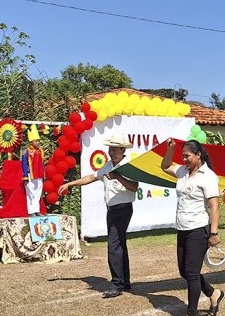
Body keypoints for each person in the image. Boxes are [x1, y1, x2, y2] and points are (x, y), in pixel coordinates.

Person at [59, 134, 139, 298]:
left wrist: (117, 176)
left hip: (123, 208)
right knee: (119, 244)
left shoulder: (128, 166)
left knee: (114, 245)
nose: (112, 152)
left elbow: (133, 187)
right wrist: (70, 183)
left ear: (123, 150)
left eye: (115, 150)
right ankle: (124, 281)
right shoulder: (108, 165)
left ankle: (117, 284)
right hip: (112, 210)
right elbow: (91, 177)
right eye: (110, 149)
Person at [162, 138, 225, 316]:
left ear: (198, 155)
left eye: (187, 156)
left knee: (191, 273)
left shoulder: (208, 176)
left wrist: (213, 232)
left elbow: (214, 205)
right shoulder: (182, 171)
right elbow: (165, 166)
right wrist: (170, 151)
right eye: (182, 156)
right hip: (182, 228)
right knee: (185, 270)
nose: (184, 159)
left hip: (199, 229)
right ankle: (214, 293)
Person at [21, 125, 45, 216]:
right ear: (31, 142)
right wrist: (25, 176)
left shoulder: (41, 151)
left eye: (38, 141)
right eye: (36, 141)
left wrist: (44, 173)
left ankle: (37, 210)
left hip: (39, 175)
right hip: (30, 174)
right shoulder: (26, 151)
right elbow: (23, 163)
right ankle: (31, 211)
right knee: (31, 193)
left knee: (38, 193)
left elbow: (42, 162)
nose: (38, 142)